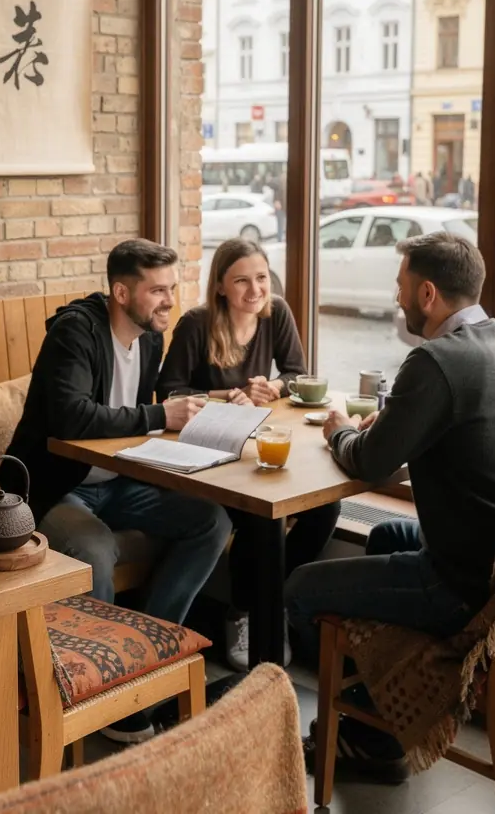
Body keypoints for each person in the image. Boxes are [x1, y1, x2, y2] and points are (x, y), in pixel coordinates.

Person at [285, 232, 495, 780]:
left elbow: (369, 464)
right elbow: (460, 440)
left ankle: (368, 735)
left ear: (429, 293)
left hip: (471, 592)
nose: (397, 299)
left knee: (298, 589)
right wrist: (390, 432)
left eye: (401, 287)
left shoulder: (436, 360)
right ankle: (380, 716)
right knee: (389, 535)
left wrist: (340, 431)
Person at [3, 238, 232, 744]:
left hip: (121, 481)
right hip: (55, 485)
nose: (169, 300)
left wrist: (204, 408)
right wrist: (159, 416)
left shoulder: (150, 338)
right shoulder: (75, 332)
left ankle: (144, 659)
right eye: (157, 290)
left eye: (172, 288)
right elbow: (71, 416)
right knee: (94, 547)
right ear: (121, 291)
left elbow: (137, 414)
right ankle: (103, 697)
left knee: (212, 521)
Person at [157, 238, 339, 672]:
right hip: (207, 448)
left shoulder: (275, 312)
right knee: (258, 517)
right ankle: (243, 611)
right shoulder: (197, 324)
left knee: (325, 508)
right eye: (241, 281)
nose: (255, 290)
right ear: (220, 286)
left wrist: (273, 388)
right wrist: (228, 395)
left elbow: (296, 371)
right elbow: (167, 392)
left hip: (258, 439)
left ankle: (268, 603)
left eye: (260, 277)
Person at [267, 175, 286, 242]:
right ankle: (280, 238)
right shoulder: (278, 184)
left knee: (282, 224)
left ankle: (281, 238)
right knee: (280, 224)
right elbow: (272, 186)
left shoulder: (283, 184)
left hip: (284, 207)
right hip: (280, 207)